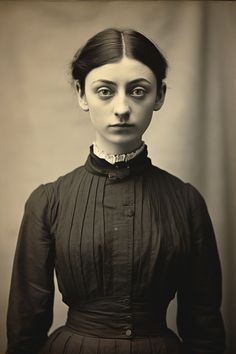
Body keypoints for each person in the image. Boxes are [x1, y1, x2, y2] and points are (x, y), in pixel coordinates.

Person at [6, 28, 226, 354]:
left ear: (160, 95)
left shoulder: (187, 202)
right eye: (105, 91)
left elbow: (204, 327)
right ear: (82, 95)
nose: (122, 108)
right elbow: (26, 329)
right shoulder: (48, 201)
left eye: (138, 91)